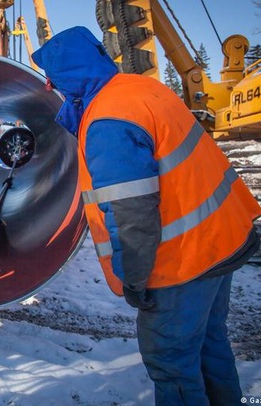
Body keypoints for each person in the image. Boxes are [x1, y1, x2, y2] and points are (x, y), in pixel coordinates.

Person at [31, 26, 261, 406]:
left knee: (172, 363)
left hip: (182, 263)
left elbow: (131, 213)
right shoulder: (140, 90)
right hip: (221, 241)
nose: (47, 88)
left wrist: (134, 278)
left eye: (51, 80)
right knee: (209, 345)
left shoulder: (107, 124)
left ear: (68, 77)